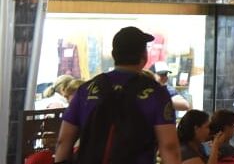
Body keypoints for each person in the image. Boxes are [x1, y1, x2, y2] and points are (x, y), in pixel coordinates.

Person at [53, 26, 180, 164]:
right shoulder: (156, 93)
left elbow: (63, 141)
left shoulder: (87, 89)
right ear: (144, 56)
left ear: (114, 55)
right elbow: (169, 147)